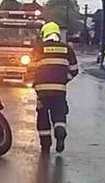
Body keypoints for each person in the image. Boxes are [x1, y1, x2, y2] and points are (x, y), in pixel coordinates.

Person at [27, 21, 79, 153]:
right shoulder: (67, 49)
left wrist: (32, 82)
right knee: (59, 113)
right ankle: (60, 132)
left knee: (43, 115)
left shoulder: (38, 48)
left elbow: (30, 69)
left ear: (44, 34)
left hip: (42, 91)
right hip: (59, 90)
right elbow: (74, 70)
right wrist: (63, 80)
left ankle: (45, 145)